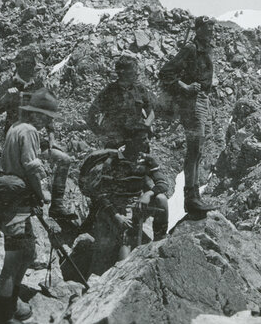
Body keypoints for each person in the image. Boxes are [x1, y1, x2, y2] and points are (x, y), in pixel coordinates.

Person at [0, 89, 72, 324]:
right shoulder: (28, 131)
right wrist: (44, 194)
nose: (48, 121)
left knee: (27, 253)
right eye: (46, 116)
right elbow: (31, 166)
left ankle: (12, 303)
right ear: (37, 114)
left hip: (18, 201)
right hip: (17, 202)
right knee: (13, 259)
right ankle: (4, 320)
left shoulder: (18, 126)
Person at [87, 54, 170, 239]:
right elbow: (91, 113)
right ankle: (97, 217)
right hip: (114, 143)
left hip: (137, 140)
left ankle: (141, 210)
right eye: (132, 71)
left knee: (143, 175)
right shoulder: (109, 91)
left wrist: (146, 126)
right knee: (107, 179)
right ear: (122, 72)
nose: (135, 74)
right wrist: (102, 133)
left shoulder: (140, 89)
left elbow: (152, 110)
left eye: (135, 71)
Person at [0, 47, 73, 220]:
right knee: (24, 173)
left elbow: (47, 112)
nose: (30, 68)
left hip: (35, 138)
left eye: (32, 65)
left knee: (64, 159)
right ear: (18, 66)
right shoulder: (8, 85)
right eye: (26, 65)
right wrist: (6, 97)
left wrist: (51, 135)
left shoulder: (38, 85)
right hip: (15, 140)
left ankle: (57, 205)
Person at [159, 16, 217, 215]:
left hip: (201, 99)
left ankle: (193, 197)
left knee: (198, 149)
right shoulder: (191, 49)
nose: (211, 31)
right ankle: (190, 198)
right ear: (198, 29)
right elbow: (166, 72)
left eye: (212, 28)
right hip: (191, 101)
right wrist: (185, 87)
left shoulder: (205, 49)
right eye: (207, 27)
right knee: (194, 149)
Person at [81, 149, 164, 276]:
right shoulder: (112, 162)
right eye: (143, 139)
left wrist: (148, 193)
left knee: (161, 199)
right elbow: (101, 194)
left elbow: (163, 184)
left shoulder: (146, 160)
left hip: (134, 206)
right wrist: (116, 216)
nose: (147, 142)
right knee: (126, 238)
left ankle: (160, 241)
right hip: (113, 207)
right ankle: (121, 277)